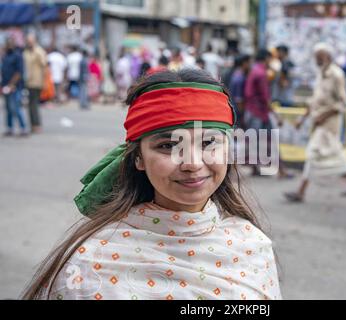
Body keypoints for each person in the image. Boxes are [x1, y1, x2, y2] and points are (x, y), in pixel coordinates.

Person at [22, 69, 282, 300]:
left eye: (208, 143)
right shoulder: (89, 262)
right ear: (138, 158)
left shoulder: (252, 246)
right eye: (168, 146)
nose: (192, 162)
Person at [285, 43, 346, 202]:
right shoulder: (321, 74)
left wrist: (324, 116)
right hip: (319, 122)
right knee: (332, 153)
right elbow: (314, 101)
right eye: (316, 57)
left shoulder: (337, 75)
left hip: (330, 123)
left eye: (319, 57)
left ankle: (301, 191)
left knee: (315, 153)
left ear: (327, 56)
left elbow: (343, 103)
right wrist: (303, 119)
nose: (317, 60)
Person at [244, 49, 290, 178]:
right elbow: (265, 97)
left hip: (254, 110)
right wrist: (276, 115)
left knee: (255, 140)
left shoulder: (255, 71)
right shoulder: (261, 73)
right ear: (266, 59)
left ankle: (258, 168)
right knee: (269, 140)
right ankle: (281, 169)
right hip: (259, 111)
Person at [1, 36, 27, 137]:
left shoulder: (17, 56)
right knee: (7, 108)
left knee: (16, 108)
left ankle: (23, 128)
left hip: (15, 86)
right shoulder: (5, 56)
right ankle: (9, 128)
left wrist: (12, 84)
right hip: (5, 86)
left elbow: (19, 72)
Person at [23, 33, 47, 133]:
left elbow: (44, 65)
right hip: (28, 82)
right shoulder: (26, 52)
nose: (29, 43)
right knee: (30, 105)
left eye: (30, 41)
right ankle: (32, 125)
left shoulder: (39, 51)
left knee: (34, 104)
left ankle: (37, 124)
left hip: (37, 81)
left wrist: (45, 82)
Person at [229, 54, 251, 129]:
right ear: (244, 63)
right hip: (237, 111)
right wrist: (242, 115)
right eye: (249, 63)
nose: (250, 65)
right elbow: (239, 99)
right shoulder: (240, 78)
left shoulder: (236, 74)